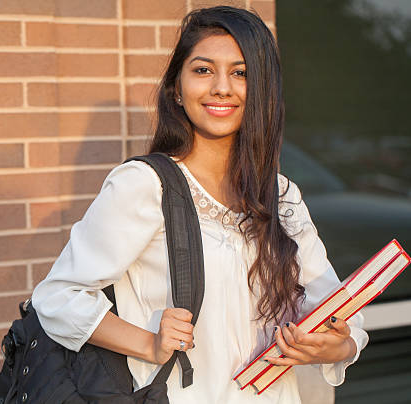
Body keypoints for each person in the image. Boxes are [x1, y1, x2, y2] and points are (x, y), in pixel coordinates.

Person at [31, 6, 368, 403]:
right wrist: (148, 343)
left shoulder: (280, 196)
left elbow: (339, 308)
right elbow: (57, 297)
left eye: (240, 73)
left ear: (261, 89)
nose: (222, 87)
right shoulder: (146, 185)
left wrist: (338, 346)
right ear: (177, 86)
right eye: (204, 70)